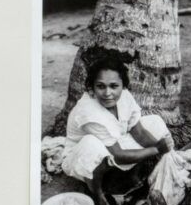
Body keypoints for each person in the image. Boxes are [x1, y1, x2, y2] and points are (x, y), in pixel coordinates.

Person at [60, 57, 175, 195]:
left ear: (123, 85)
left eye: (114, 86)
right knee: (91, 143)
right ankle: (98, 191)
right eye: (101, 86)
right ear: (92, 87)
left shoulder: (124, 96)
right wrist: (156, 149)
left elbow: (139, 132)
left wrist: (166, 150)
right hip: (84, 158)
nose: (108, 93)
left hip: (113, 143)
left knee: (154, 122)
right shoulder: (88, 112)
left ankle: (132, 173)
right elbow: (118, 155)